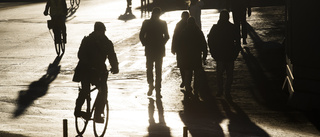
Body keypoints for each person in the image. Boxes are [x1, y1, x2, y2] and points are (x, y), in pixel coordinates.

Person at [73, 22, 119, 123]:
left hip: (99, 70)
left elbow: (112, 55)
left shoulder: (107, 42)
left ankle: (98, 114)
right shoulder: (87, 40)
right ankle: (77, 110)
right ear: (96, 31)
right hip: (85, 69)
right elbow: (81, 54)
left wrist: (115, 67)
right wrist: (89, 64)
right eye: (100, 31)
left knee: (103, 91)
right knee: (85, 90)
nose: (102, 33)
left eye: (103, 31)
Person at [207, 10, 241, 97]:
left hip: (220, 55)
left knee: (219, 75)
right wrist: (235, 53)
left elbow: (210, 41)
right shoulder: (233, 27)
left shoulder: (215, 28)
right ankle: (227, 91)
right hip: (230, 55)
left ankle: (220, 90)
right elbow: (238, 42)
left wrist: (213, 52)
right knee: (229, 75)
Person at [139, 7, 169, 98]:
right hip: (155, 49)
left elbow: (141, 35)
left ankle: (155, 87)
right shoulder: (161, 23)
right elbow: (166, 36)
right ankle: (153, 87)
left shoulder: (147, 23)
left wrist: (145, 43)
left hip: (152, 49)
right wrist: (161, 43)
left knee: (153, 69)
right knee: (154, 69)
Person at [180, 17, 207, 100]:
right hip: (196, 56)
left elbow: (180, 45)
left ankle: (188, 89)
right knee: (197, 75)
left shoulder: (184, 32)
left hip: (187, 57)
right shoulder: (198, 32)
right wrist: (204, 56)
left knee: (188, 74)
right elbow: (203, 44)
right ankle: (196, 90)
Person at [171, 11, 190, 88]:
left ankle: (185, 81)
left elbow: (175, 37)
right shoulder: (190, 24)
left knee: (183, 66)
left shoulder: (179, 25)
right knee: (186, 66)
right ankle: (186, 81)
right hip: (185, 49)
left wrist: (173, 48)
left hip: (181, 49)